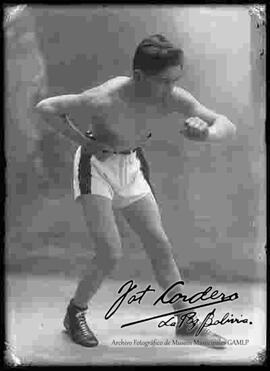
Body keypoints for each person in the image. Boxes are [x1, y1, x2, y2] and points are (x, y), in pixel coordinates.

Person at [35, 34, 236, 349]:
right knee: (109, 251)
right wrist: (84, 141)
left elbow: (226, 124)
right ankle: (75, 313)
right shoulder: (104, 97)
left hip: (131, 165)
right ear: (139, 76)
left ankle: (186, 321)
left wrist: (206, 134)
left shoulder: (172, 98)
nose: (171, 90)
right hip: (96, 166)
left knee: (159, 244)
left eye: (175, 81)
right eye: (164, 82)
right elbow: (47, 107)